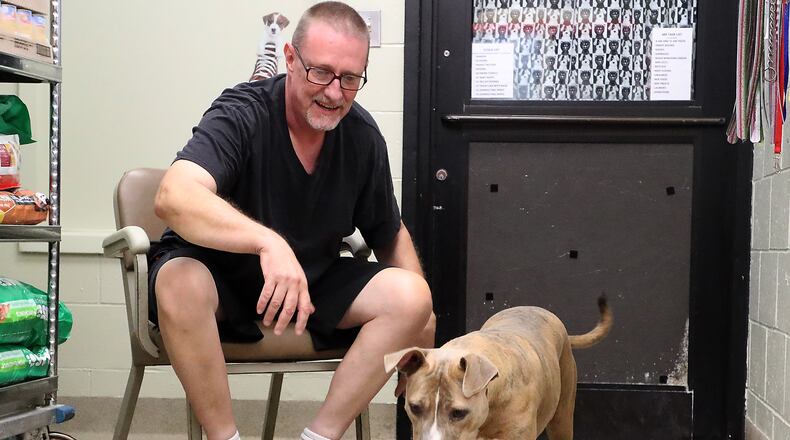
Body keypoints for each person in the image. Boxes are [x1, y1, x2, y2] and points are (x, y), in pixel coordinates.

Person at [149, 2, 435, 440]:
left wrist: (422, 319)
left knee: (412, 296)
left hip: (310, 282)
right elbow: (174, 196)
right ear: (289, 58)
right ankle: (225, 437)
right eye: (320, 72)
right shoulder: (241, 112)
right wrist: (268, 243)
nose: (335, 93)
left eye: (350, 79)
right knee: (178, 279)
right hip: (220, 280)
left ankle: (319, 436)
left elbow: (388, 231)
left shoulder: (361, 136)